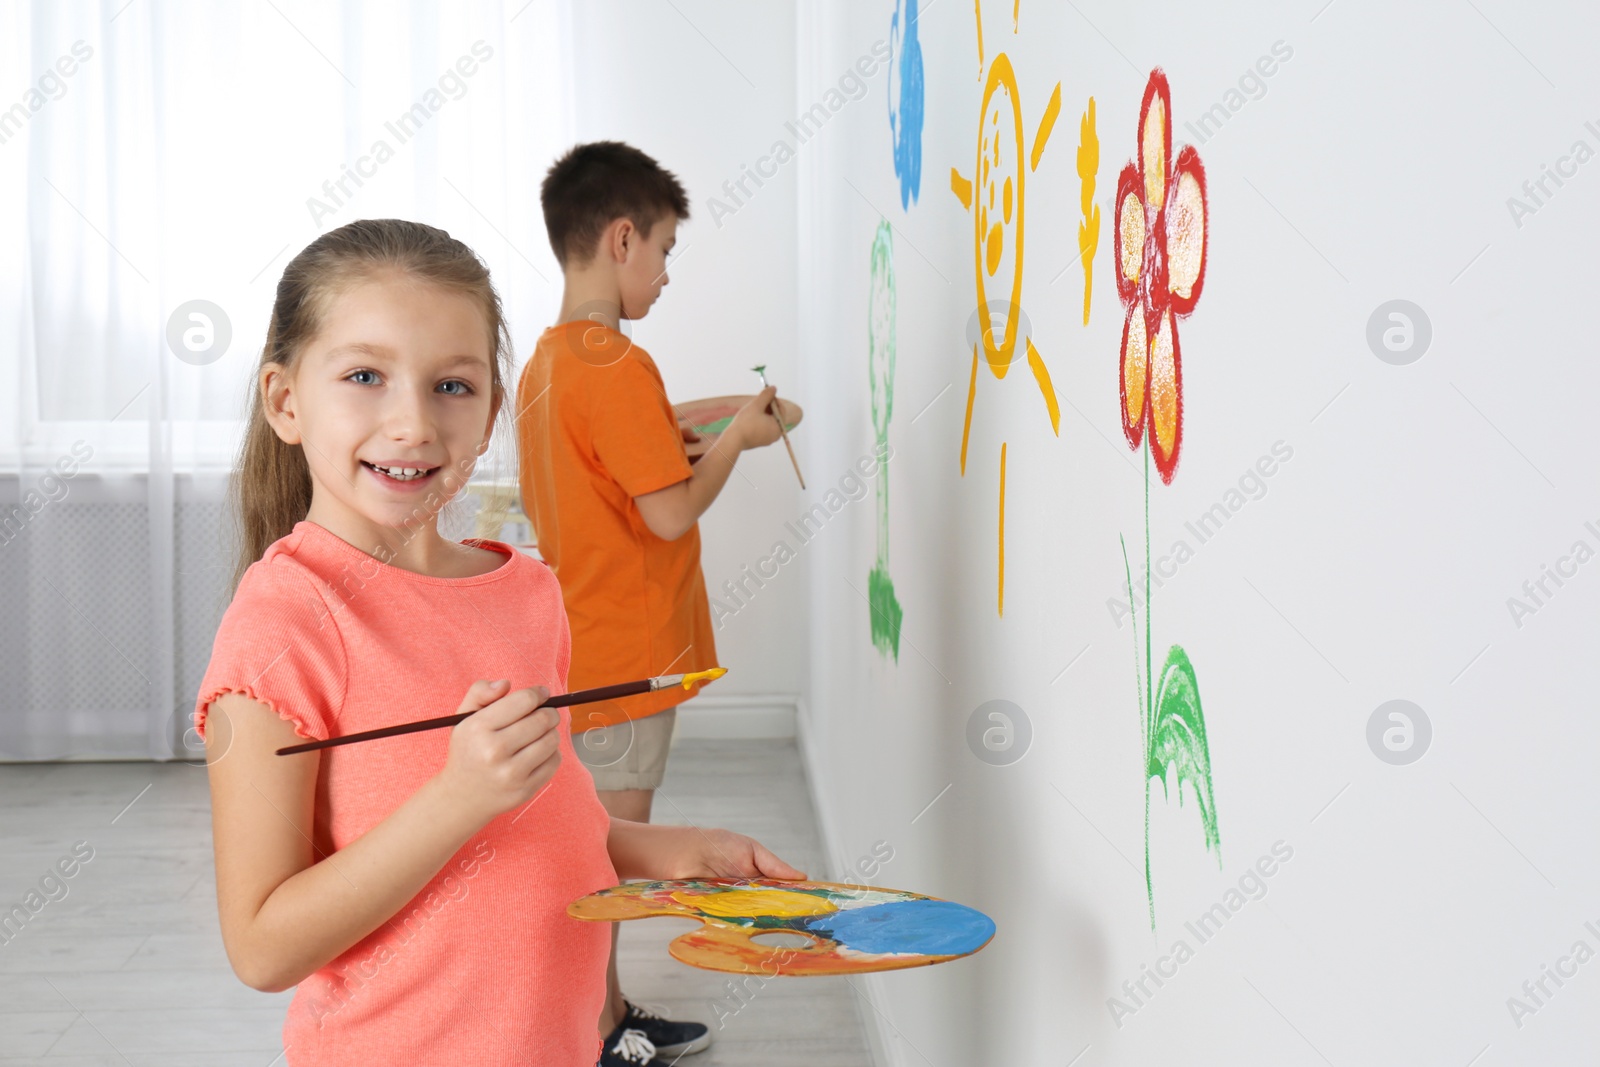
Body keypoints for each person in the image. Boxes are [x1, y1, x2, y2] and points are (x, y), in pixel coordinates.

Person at [194, 218, 803, 1067]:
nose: (412, 423)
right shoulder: (283, 624)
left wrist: (678, 851)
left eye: (453, 385)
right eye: (365, 375)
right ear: (286, 401)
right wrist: (456, 797)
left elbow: (549, 817)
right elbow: (262, 946)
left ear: (489, 416)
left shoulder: (526, 590)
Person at [515, 142, 786, 1059]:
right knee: (608, 861)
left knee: (595, 846)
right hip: (625, 659)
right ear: (622, 237)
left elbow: (641, 448)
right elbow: (668, 510)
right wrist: (738, 442)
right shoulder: (619, 366)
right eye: (665, 249)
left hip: (579, 645)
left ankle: (604, 1014)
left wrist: (727, 419)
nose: (667, 274)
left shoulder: (552, 363)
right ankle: (593, 1033)